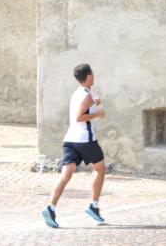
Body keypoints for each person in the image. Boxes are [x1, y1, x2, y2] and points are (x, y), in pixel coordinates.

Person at [41, 64, 107, 228]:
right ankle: (94, 206)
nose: (94, 75)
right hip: (85, 140)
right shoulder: (87, 96)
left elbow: (82, 108)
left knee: (66, 174)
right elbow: (79, 117)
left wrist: (94, 103)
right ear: (89, 76)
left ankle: (50, 208)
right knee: (100, 169)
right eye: (93, 73)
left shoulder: (78, 94)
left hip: (70, 140)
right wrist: (98, 113)